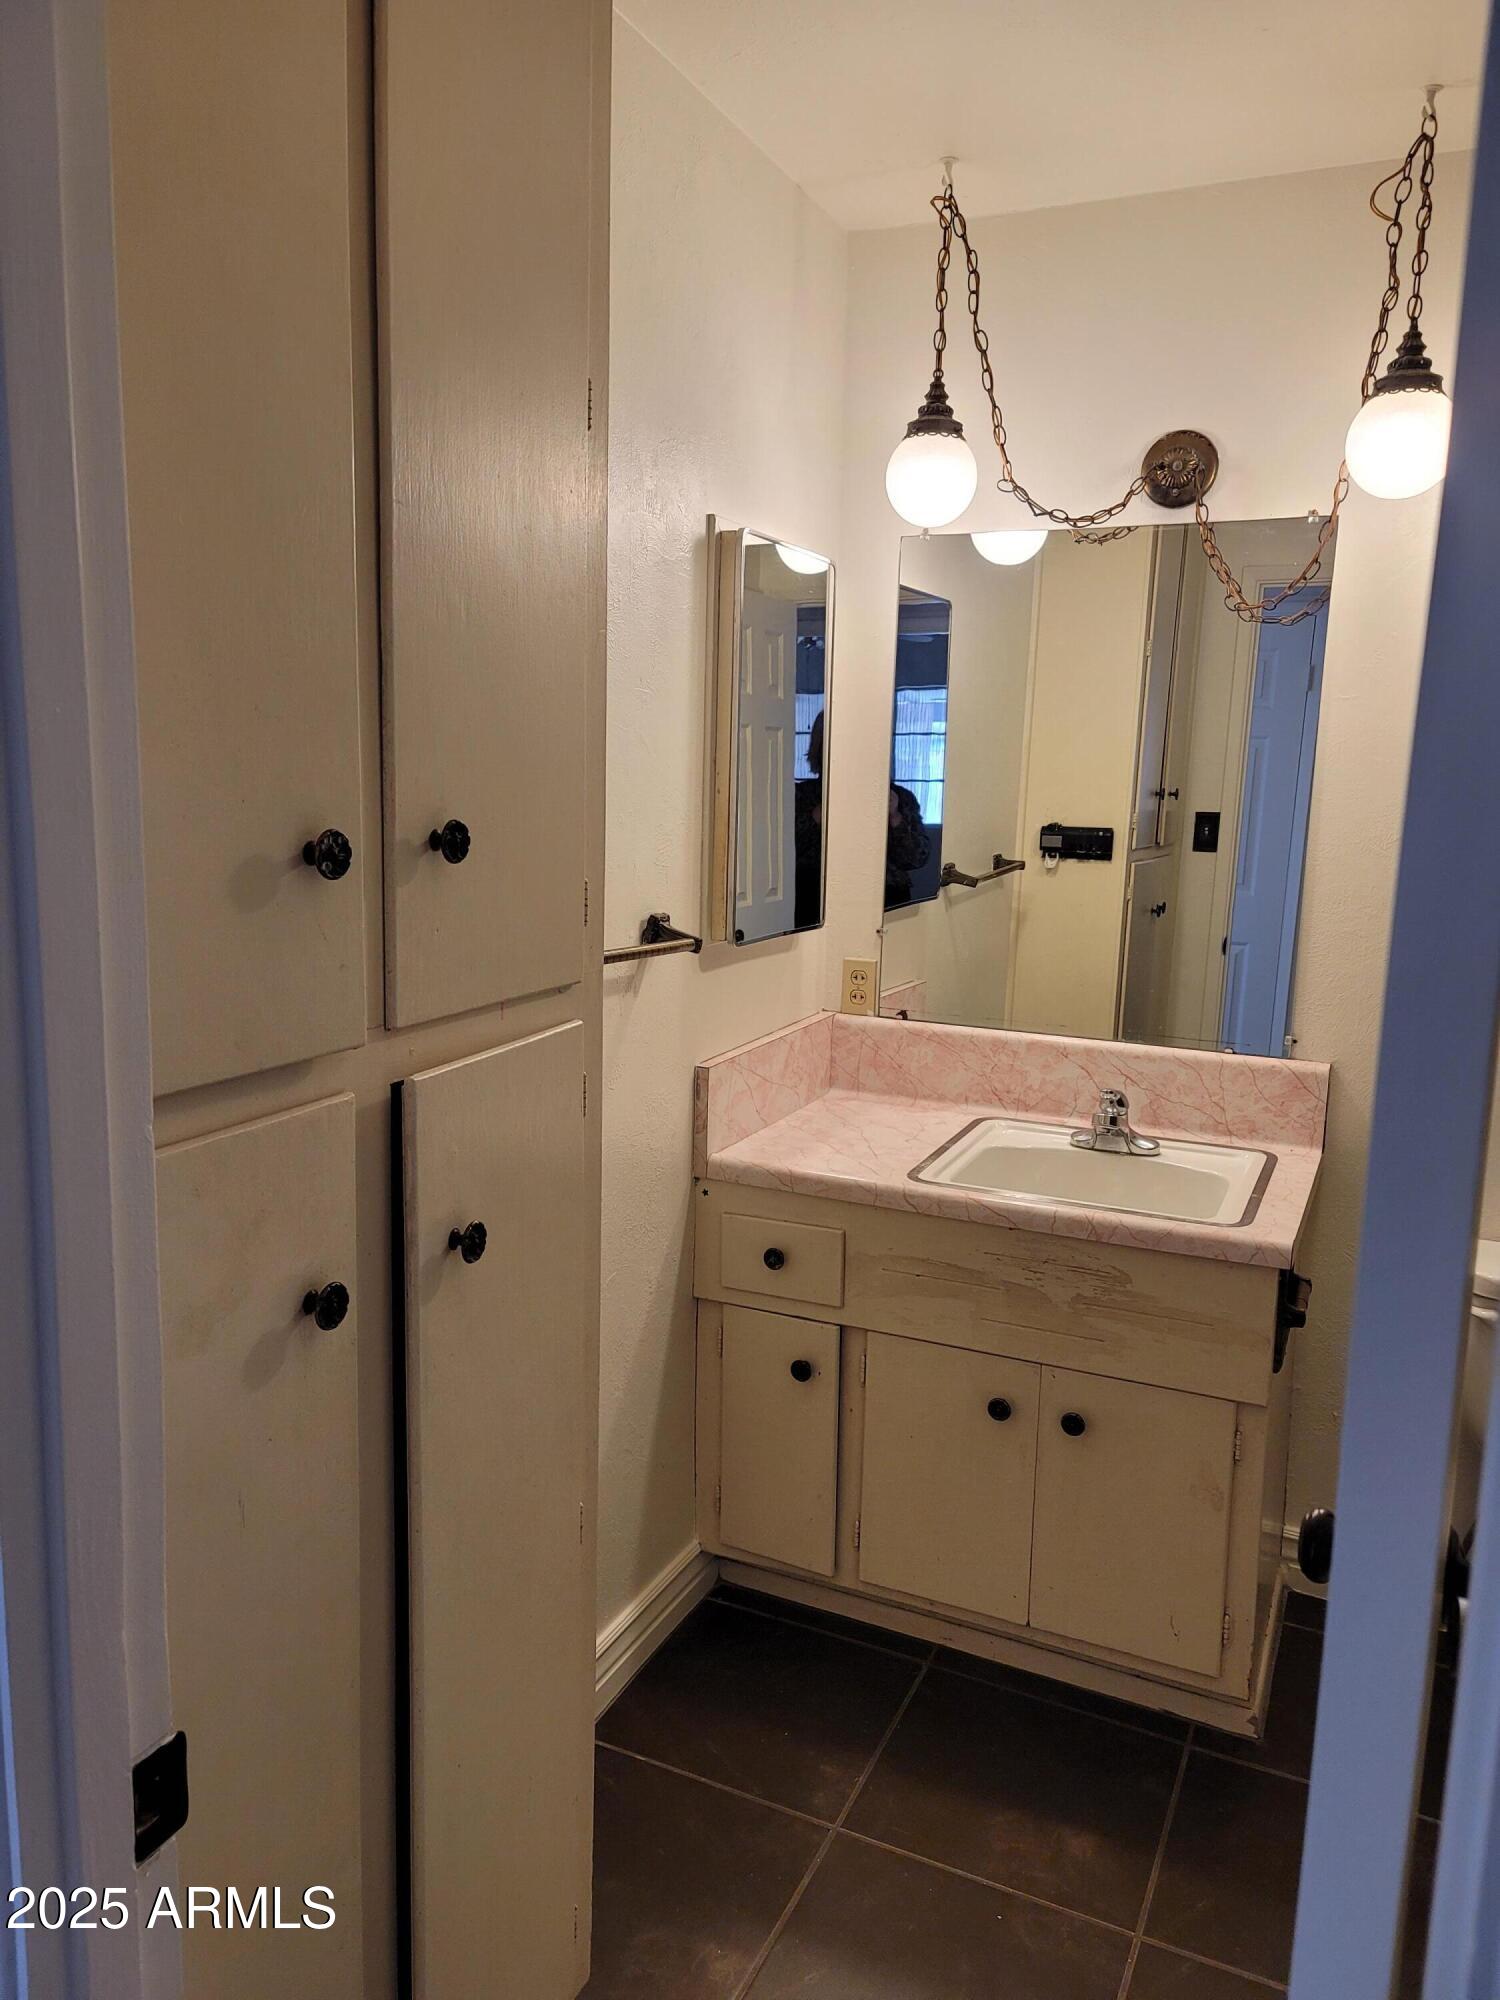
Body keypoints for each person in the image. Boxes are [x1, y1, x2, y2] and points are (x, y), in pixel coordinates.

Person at [794, 709, 825, 930]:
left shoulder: (894, 798)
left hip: (884, 896)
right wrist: (814, 817)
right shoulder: (801, 796)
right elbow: (777, 855)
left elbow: (917, 859)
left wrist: (895, 817)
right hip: (809, 893)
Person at [885, 778, 930, 907]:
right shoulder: (826, 791)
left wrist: (895, 817)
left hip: (891, 891)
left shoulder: (901, 798)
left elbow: (918, 857)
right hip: (833, 888)